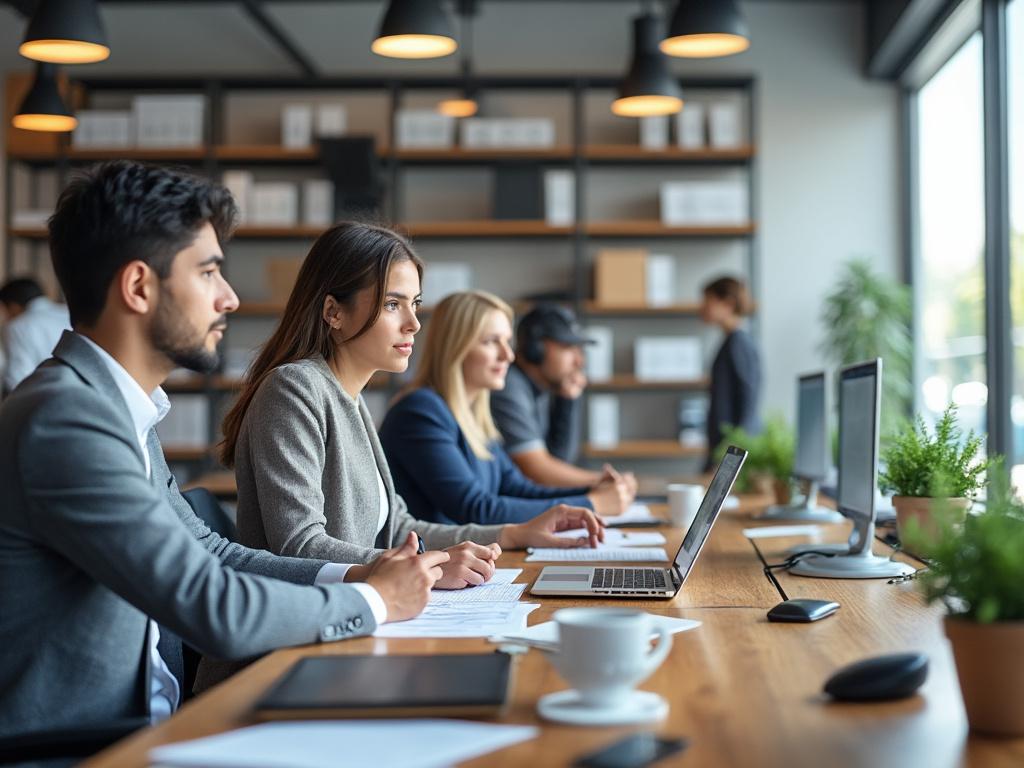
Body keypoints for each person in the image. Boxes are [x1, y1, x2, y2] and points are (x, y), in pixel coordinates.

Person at [0, 162, 446, 741]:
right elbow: (213, 606)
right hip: (87, 750)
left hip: (152, 729)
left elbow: (211, 552)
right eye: (209, 272)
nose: (229, 298)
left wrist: (361, 573)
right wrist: (373, 598)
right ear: (138, 287)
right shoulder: (66, 421)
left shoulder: (116, 411)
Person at [220, 224, 603, 586]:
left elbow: (399, 528)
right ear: (334, 311)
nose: (414, 324)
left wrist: (513, 533)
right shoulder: (294, 389)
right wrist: (429, 569)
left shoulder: (349, 398)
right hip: (295, 638)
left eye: (414, 304)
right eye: (392, 304)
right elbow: (299, 546)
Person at [379, 290, 632, 525]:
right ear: (457, 348)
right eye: (491, 341)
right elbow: (475, 508)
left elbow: (518, 488)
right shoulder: (420, 411)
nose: (508, 355)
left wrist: (593, 491)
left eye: (507, 341)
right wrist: (593, 503)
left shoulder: (472, 416)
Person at [489, 303, 637, 501]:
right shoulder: (509, 387)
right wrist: (605, 481)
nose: (579, 361)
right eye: (568, 348)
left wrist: (566, 402)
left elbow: (559, 460)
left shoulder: (539, 388)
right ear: (536, 348)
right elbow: (538, 471)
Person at [701, 276, 761, 471]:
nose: (703, 308)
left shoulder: (739, 344)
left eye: (708, 301)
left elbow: (749, 401)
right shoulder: (729, 343)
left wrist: (732, 459)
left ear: (727, 303)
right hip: (722, 449)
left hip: (731, 454)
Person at [0, 276, 70, 394]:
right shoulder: (67, 313)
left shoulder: (18, 326)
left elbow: (17, 380)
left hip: (43, 402)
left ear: (13, 306)